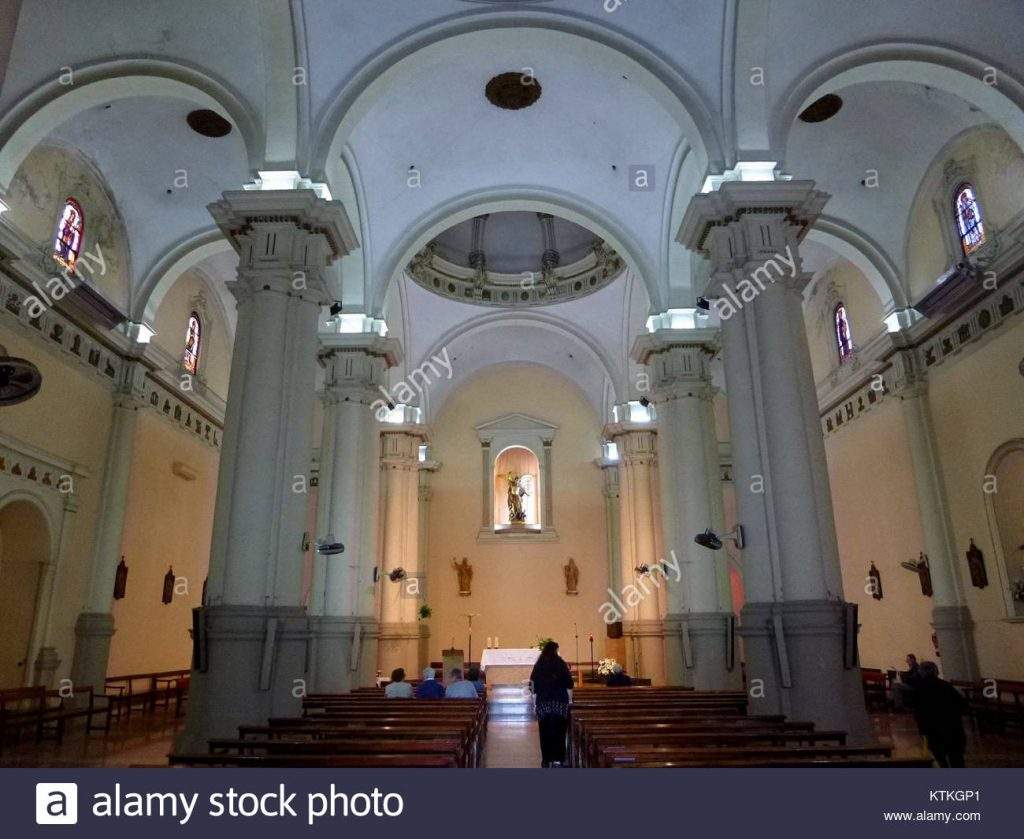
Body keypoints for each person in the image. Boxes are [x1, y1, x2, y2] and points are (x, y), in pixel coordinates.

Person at [912, 661, 968, 768]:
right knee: (957, 760)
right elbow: (963, 705)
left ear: (921, 673)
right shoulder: (946, 686)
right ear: (936, 671)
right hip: (953, 729)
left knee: (941, 760)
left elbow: (917, 711)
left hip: (932, 731)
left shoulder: (919, 689)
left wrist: (921, 727)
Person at [528, 640, 574, 767]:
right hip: (559, 702)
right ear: (555, 651)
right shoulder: (561, 664)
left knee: (544, 731)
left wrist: (535, 698)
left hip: (543, 702)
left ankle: (546, 759)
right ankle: (558, 758)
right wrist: (570, 699)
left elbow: (531, 686)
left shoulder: (539, 665)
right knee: (560, 731)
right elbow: (570, 683)